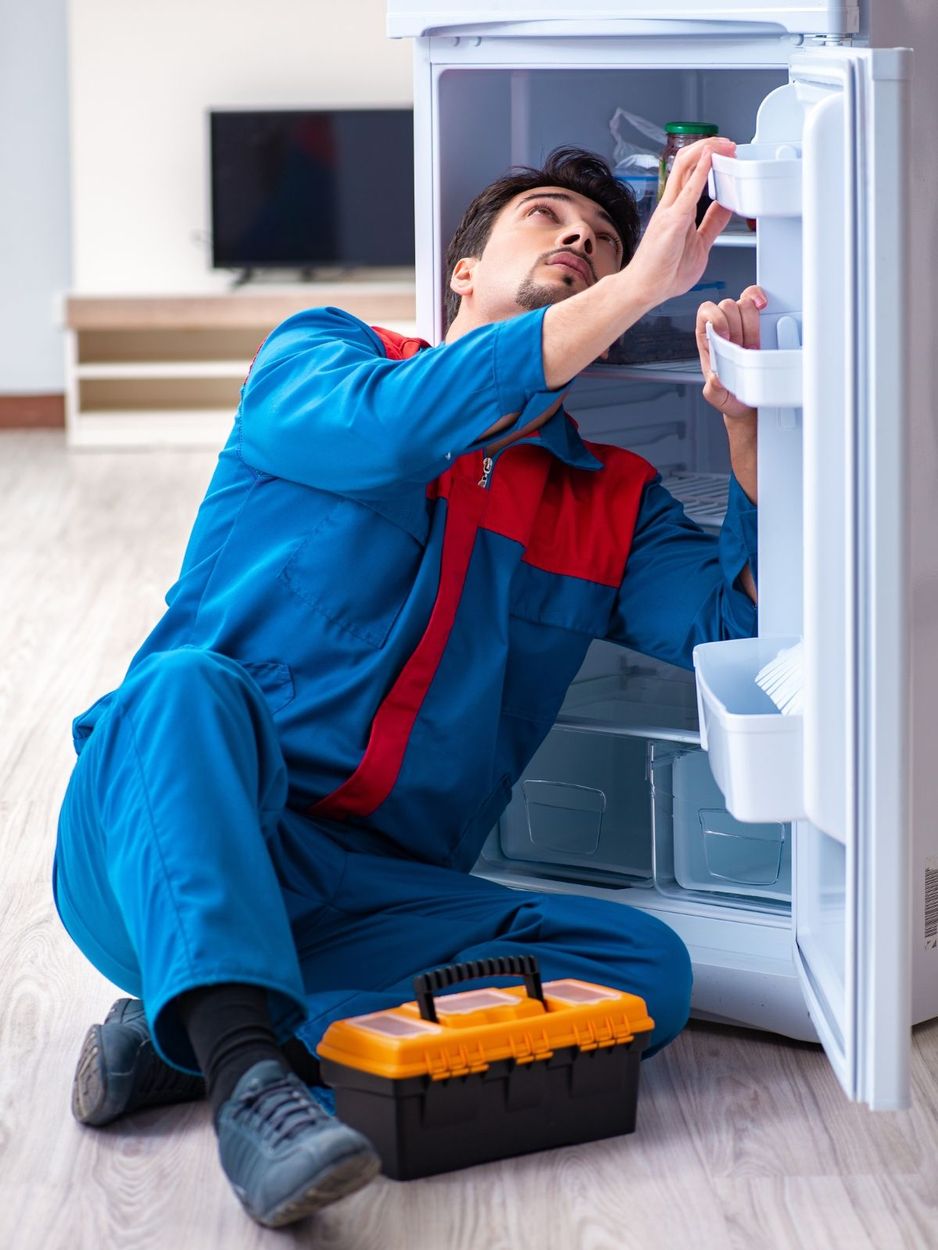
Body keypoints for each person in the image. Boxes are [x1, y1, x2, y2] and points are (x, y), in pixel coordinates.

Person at [54, 139, 765, 1228]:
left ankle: (192, 1029)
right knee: (187, 690)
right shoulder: (319, 362)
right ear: (462, 274)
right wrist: (635, 285)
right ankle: (251, 1080)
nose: (581, 238)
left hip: (367, 896)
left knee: (640, 968)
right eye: (544, 217)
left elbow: (738, 627)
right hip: (160, 838)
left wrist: (753, 436)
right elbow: (399, 430)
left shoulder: (610, 502)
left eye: (606, 239)